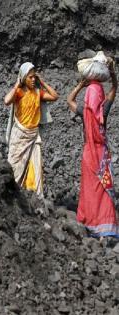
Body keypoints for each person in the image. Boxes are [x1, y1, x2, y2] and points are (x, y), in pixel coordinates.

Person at [67, 59, 118, 238]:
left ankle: (89, 222)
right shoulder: (104, 109)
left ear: (89, 98)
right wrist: (112, 74)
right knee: (104, 188)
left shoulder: (84, 110)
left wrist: (80, 86)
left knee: (90, 189)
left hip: (89, 153)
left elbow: (69, 100)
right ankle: (106, 226)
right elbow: (114, 90)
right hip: (102, 153)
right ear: (100, 97)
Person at [4, 62, 59, 197]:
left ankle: (35, 196)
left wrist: (43, 82)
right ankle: (13, 195)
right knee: (14, 167)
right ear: (23, 78)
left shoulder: (37, 93)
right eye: (30, 77)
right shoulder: (19, 92)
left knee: (35, 167)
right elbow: (6, 101)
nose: (33, 79)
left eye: (34, 77)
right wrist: (17, 84)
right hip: (20, 136)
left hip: (33, 136)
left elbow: (54, 96)